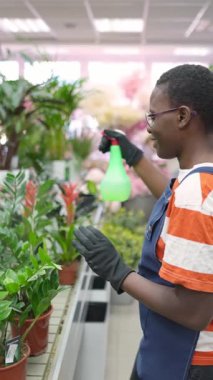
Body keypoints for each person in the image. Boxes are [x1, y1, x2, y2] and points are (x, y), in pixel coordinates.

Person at [73, 64, 213, 380]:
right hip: (176, 351)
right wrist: (133, 155)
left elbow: (193, 311)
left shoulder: (197, 191)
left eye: (153, 116)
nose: (149, 127)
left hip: (187, 362)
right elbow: (176, 202)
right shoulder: (200, 180)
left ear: (182, 116)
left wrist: (119, 273)